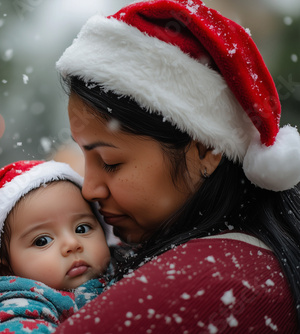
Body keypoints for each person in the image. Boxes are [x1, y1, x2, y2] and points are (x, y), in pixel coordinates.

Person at [52, 0, 300, 332]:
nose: (90, 188)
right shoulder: (262, 258)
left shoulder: (192, 290)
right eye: (85, 157)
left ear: (206, 149)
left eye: (110, 162)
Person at [0, 160, 116, 334]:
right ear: (5, 266)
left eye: (82, 228)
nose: (72, 244)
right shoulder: (18, 306)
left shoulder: (125, 264)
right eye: (42, 241)